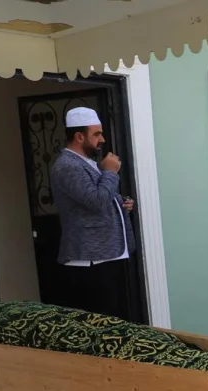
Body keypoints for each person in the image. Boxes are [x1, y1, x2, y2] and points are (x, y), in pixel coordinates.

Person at [49, 107, 136, 320]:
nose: (103, 139)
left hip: (105, 256)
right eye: (97, 134)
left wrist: (120, 203)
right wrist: (109, 172)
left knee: (115, 322)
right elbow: (95, 201)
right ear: (79, 136)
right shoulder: (68, 165)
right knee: (102, 325)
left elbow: (98, 198)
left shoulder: (85, 164)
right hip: (90, 261)